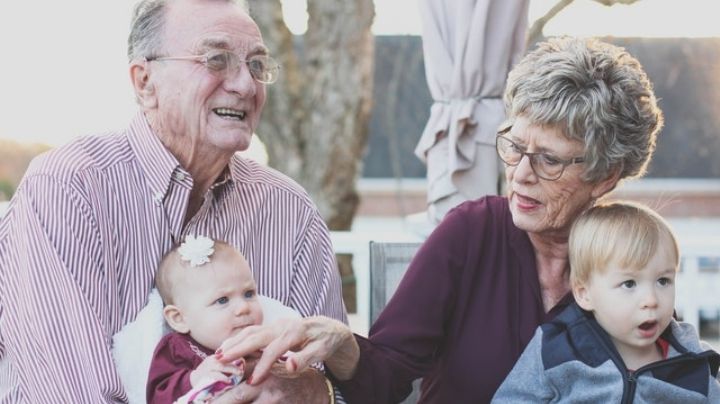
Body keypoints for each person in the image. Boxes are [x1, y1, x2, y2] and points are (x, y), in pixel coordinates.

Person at [214, 36, 667, 403]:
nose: (521, 175)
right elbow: (383, 379)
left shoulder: (634, 257)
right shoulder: (472, 233)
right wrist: (341, 342)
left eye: (549, 160)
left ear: (605, 176)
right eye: (514, 146)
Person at [0, 0, 345, 402]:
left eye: (256, 65)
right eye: (217, 59)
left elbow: (331, 382)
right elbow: (70, 394)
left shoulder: (289, 209)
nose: (246, 86)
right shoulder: (69, 189)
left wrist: (306, 388)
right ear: (145, 82)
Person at [492, 202, 720, 403]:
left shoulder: (694, 365)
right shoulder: (557, 349)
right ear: (584, 294)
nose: (651, 300)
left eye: (663, 281)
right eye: (629, 284)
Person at [147, 236, 263, 403]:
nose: (244, 307)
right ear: (179, 318)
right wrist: (193, 379)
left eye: (249, 293)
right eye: (222, 300)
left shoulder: (262, 344)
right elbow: (156, 396)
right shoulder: (177, 348)